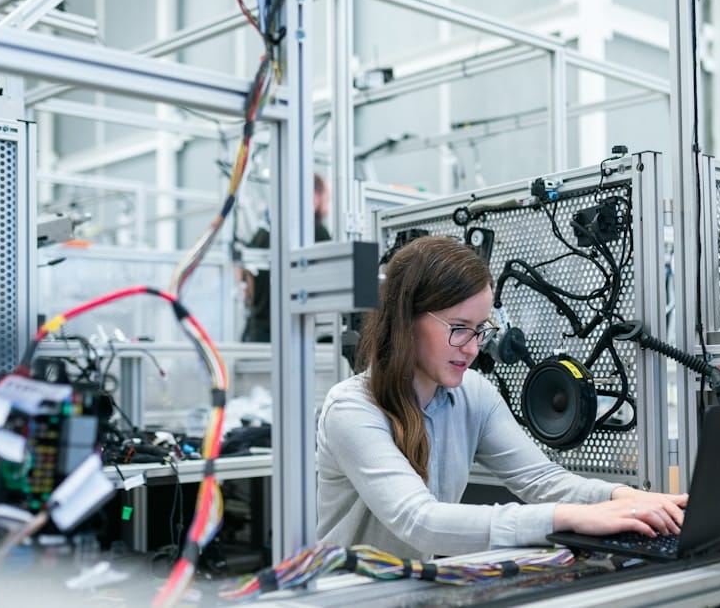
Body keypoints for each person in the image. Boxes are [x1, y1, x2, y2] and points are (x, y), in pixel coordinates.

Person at [316, 235, 687, 559]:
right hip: (350, 595)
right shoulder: (352, 409)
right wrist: (568, 518)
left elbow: (542, 480)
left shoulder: (473, 394)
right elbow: (420, 521)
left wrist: (627, 498)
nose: (474, 348)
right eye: (459, 329)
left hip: (412, 589)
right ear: (406, 321)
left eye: (481, 330)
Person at [240, 174, 331, 342]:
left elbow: (245, 280)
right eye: (327, 198)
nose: (327, 205)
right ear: (314, 196)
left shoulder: (263, 232)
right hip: (294, 334)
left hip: (257, 333)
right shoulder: (315, 230)